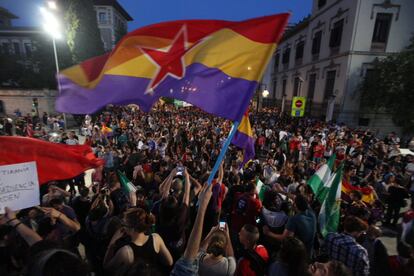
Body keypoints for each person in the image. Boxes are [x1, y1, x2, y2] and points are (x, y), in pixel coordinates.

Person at [103, 208, 173, 275]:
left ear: (133, 229)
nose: (123, 227)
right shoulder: (156, 238)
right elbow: (169, 262)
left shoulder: (126, 252)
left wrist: (112, 243)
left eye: (125, 225)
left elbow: (106, 267)